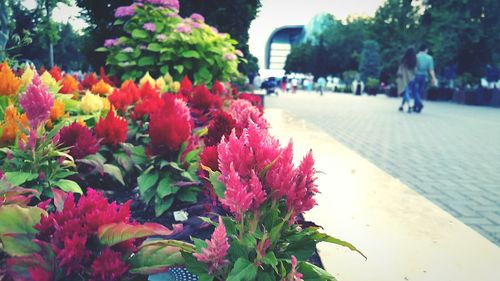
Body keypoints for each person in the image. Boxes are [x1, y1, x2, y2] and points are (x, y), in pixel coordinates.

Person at [414, 43, 438, 113]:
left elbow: (414, 68)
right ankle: (416, 106)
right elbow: (431, 70)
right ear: (426, 50)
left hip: (416, 75)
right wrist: (434, 78)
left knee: (415, 91)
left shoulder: (416, 57)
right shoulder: (429, 58)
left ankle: (419, 103)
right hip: (424, 76)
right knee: (420, 91)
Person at [396, 47, 417, 113]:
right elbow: (415, 71)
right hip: (411, 78)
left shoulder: (403, 59)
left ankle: (409, 106)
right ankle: (401, 106)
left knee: (406, 92)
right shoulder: (414, 60)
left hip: (404, 78)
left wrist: (399, 75)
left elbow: (400, 69)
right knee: (406, 92)